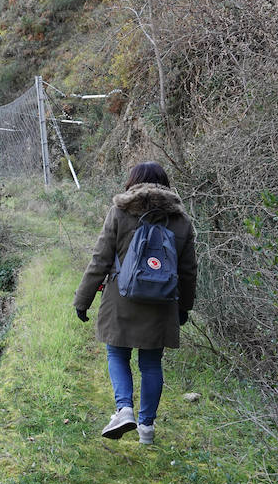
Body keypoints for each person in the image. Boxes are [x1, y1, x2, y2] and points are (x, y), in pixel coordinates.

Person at [72, 161, 197, 445]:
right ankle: (147, 429)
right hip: (162, 303)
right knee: (151, 364)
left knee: (117, 354)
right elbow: (189, 270)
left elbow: (100, 260)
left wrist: (83, 300)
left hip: (121, 298)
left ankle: (124, 408)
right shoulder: (181, 221)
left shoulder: (120, 212)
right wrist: (184, 307)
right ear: (165, 184)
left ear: (133, 182)